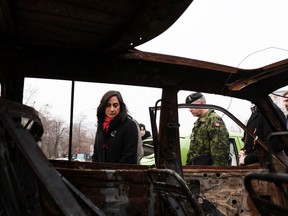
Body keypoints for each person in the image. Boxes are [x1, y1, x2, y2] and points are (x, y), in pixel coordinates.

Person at [92, 90, 139, 164]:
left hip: (121, 173)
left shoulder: (130, 125)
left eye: (115, 105)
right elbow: (96, 154)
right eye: (108, 105)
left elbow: (129, 157)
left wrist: (112, 174)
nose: (112, 109)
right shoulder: (101, 126)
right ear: (103, 107)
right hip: (101, 173)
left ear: (120, 106)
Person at [185, 92, 229, 166]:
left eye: (192, 106)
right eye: (189, 107)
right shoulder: (198, 122)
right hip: (198, 168)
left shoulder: (213, 119)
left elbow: (219, 149)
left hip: (208, 171)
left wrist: (217, 172)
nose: (190, 110)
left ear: (202, 103)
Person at [239, 101, 286, 165]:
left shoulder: (271, 111)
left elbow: (274, 144)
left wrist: (246, 159)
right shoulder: (259, 110)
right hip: (261, 164)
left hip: (271, 166)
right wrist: (244, 151)